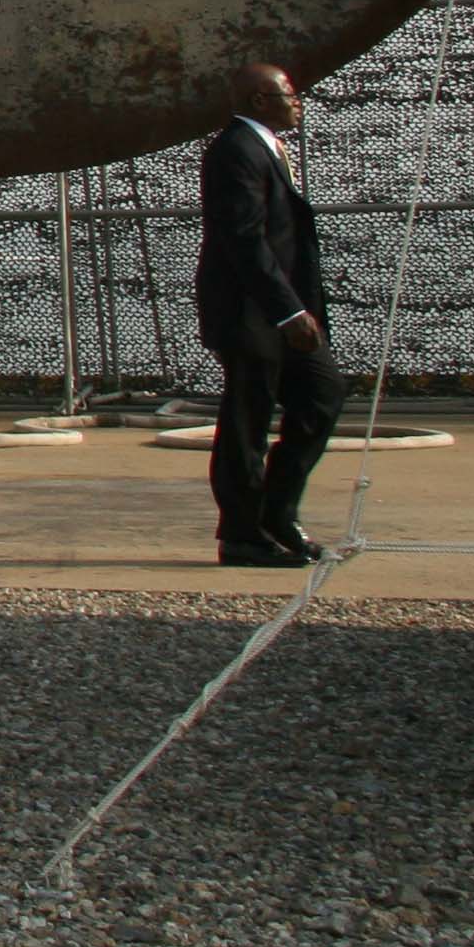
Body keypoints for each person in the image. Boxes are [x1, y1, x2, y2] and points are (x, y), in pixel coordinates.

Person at [196, 60, 339, 568]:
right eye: (289, 95)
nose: (296, 102)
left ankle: (276, 514)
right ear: (260, 100)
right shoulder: (236, 150)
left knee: (320, 402)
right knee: (247, 423)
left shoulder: (265, 146)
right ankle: (242, 535)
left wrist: (303, 307)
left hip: (283, 310)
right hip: (252, 314)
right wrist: (287, 312)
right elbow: (244, 239)